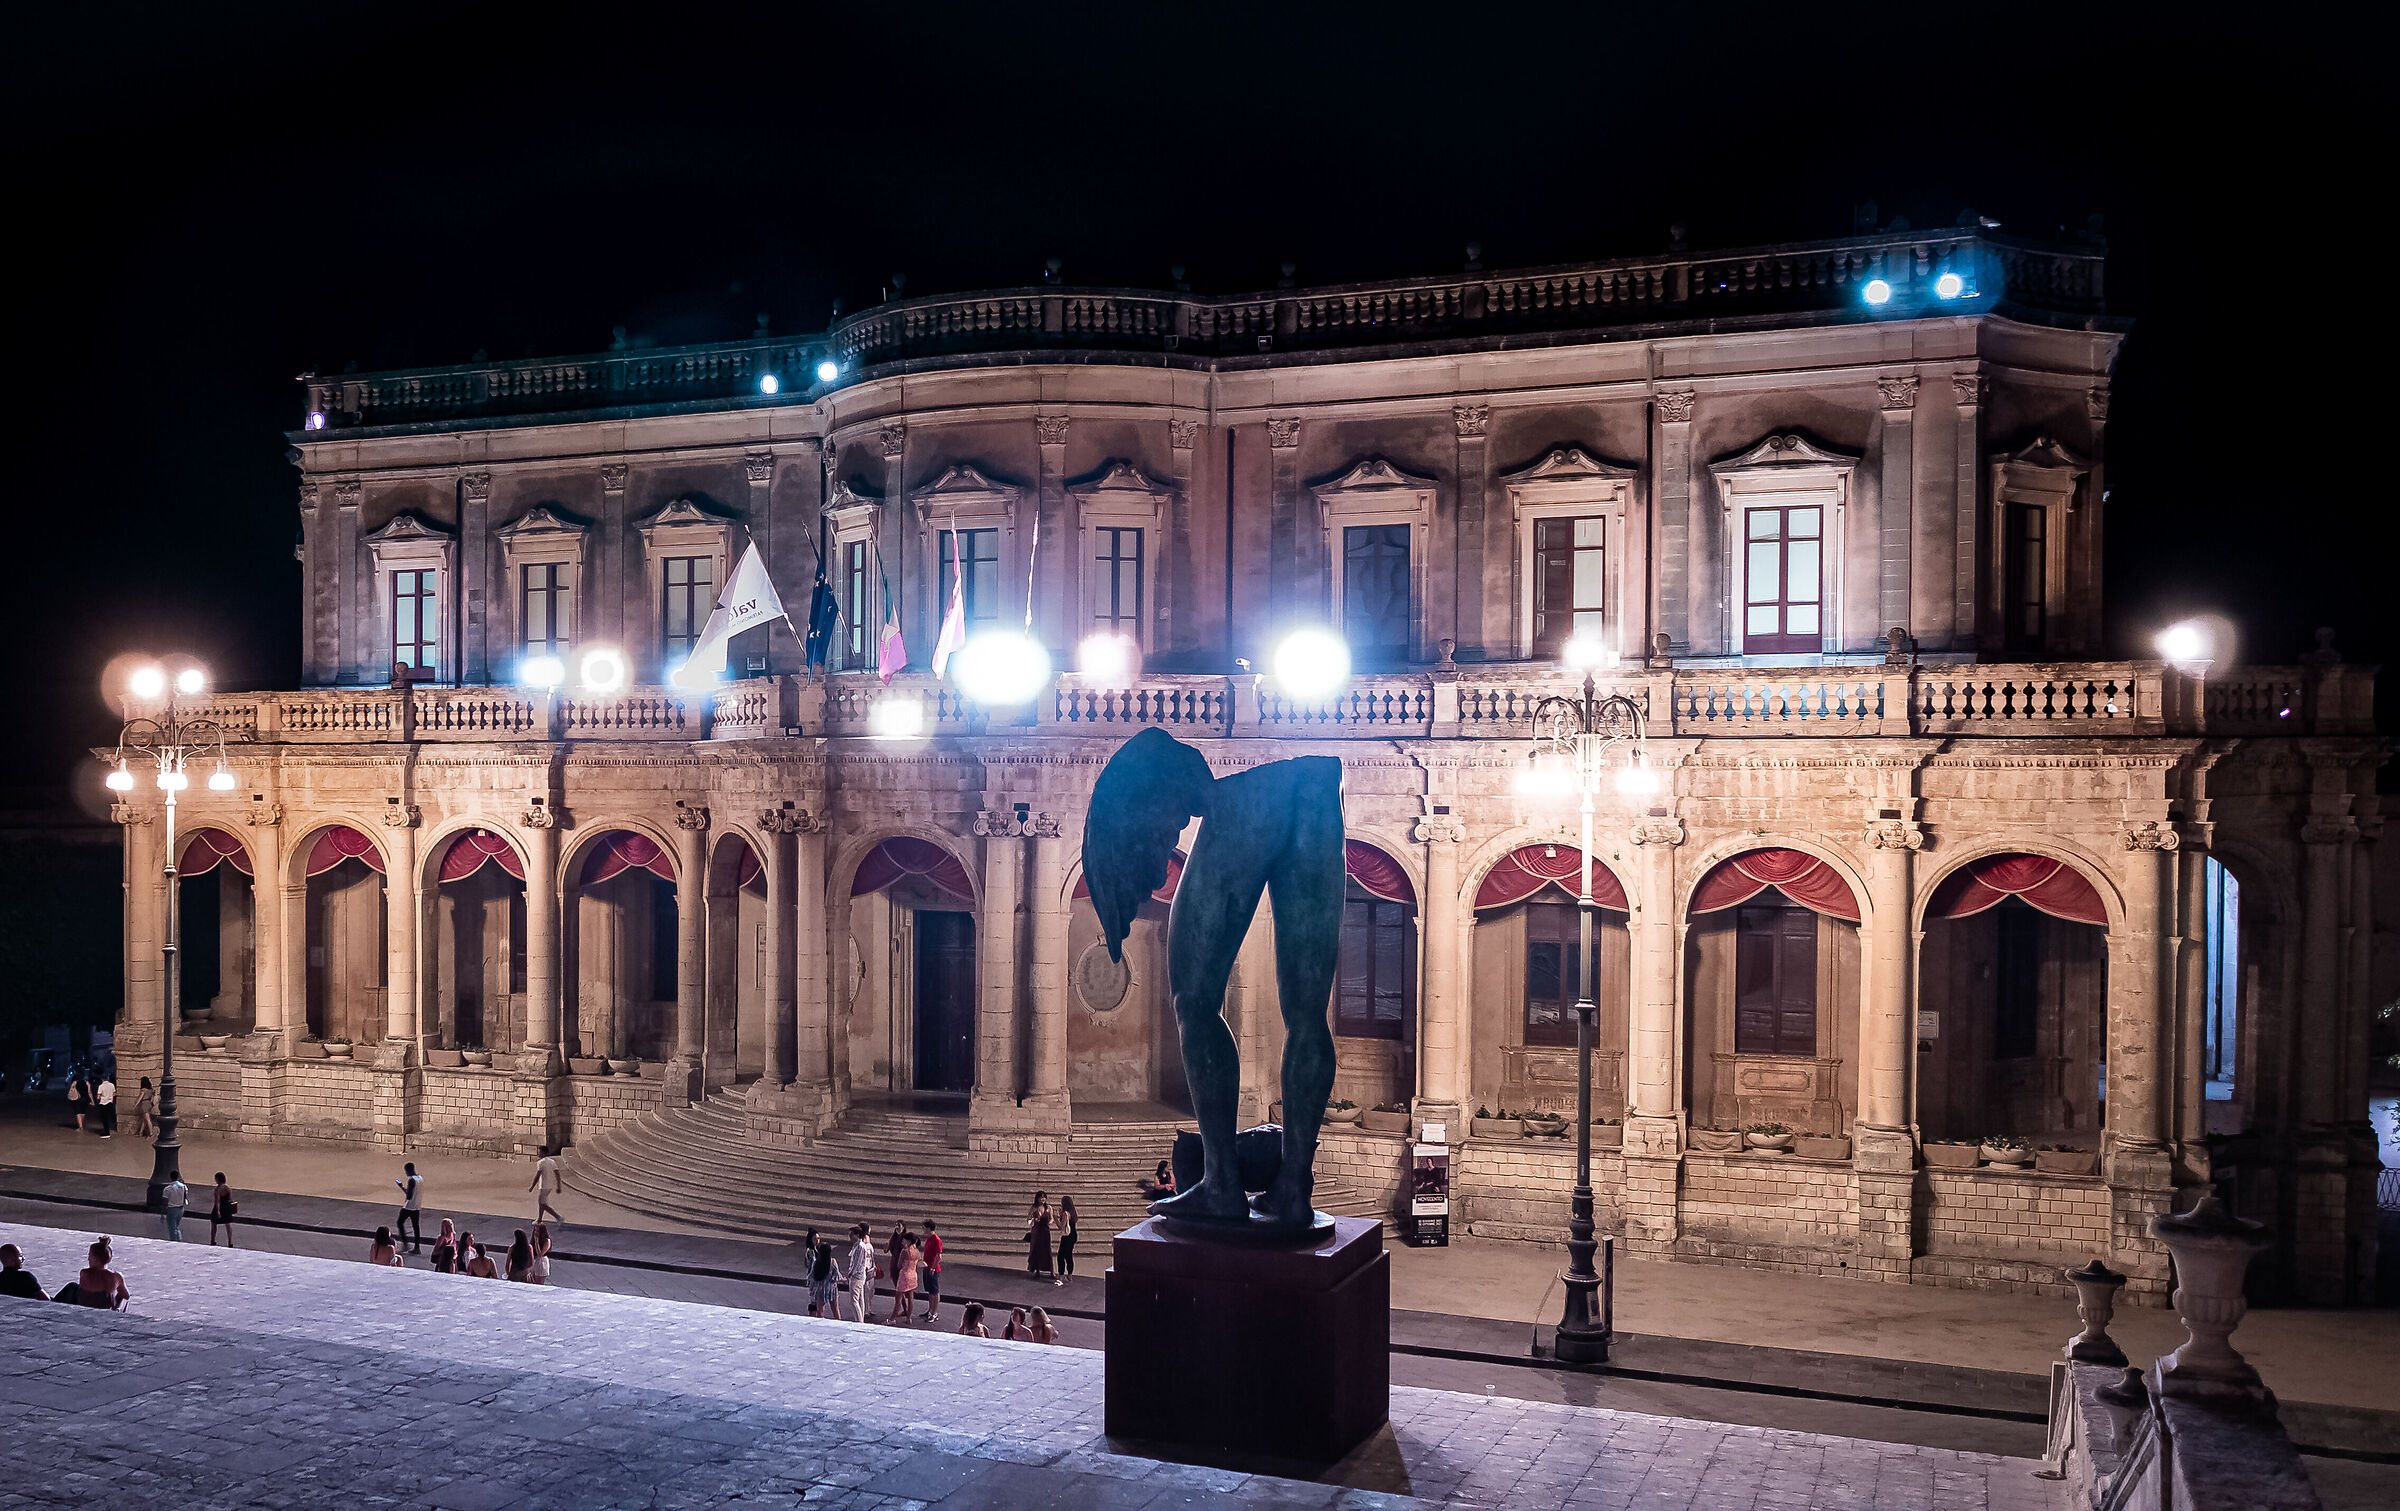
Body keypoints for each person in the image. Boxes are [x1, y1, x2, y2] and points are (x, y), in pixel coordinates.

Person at [75, 1238, 129, 1310]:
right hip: (105, 1309)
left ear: (95, 1259)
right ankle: (116, 1310)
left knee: (72, 1287)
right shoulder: (116, 1277)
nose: (88, 1259)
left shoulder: (84, 1273)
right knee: (121, 1295)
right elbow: (126, 1296)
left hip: (85, 1307)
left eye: (89, 1256)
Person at [842, 1223, 875, 1323]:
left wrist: (850, 1273)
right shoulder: (857, 1246)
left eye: (851, 1235)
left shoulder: (860, 1247)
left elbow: (857, 1263)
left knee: (854, 1300)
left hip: (857, 1276)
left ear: (857, 1235)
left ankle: (859, 1321)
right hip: (858, 1276)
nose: (850, 1237)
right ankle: (860, 1319)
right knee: (860, 1299)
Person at [888, 1231, 918, 1323]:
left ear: (908, 1241)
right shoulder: (916, 1251)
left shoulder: (905, 1251)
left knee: (898, 1297)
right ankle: (909, 1318)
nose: (902, 1241)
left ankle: (892, 1319)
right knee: (911, 1297)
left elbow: (899, 1265)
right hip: (913, 1274)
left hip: (904, 1274)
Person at [529, 1147, 564, 1226]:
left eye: (540, 1152)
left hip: (543, 1186)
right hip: (550, 1185)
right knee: (542, 1202)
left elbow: (537, 1176)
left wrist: (532, 1186)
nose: (538, 1153)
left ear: (544, 1153)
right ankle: (539, 1219)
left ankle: (558, 1217)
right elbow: (557, 1174)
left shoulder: (540, 1163)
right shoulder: (552, 1162)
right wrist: (558, 1186)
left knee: (542, 1204)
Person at [394, 1162, 424, 1253]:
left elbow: (409, 1195)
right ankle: (417, 1247)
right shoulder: (420, 1178)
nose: (406, 1173)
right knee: (416, 1226)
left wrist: (401, 1187)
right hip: (417, 1205)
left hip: (409, 1206)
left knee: (400, 1222)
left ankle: (405, 1243)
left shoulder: (411, 1180)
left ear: (408, 1170)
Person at [918, 1217, 944, 1322]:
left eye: (924, 1228)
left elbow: (939, 1257)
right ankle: (930, 1310)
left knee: (935, 1291)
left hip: (933, 1268)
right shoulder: (928, 1238)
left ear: (929, 1228)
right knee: (929, 1291)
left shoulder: (936, 1240)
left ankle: (934, 1313)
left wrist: (933, 1267)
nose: (923, 1230)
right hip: (926, 1267)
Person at [1025, 1193, 1054, 1281]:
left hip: (1045, 1231)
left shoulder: (1048, 1207)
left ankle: (1051, 1271)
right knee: (1036, 1250)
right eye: (1041, 1197)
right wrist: (1034, 1220)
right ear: (1037, 1198)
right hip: (1036, 1231)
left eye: (1044, 1197)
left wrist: (1050, 1222)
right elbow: (1028, 1219)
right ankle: (1037, 1270)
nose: (1043, 1199)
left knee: (1047, 1250)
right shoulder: (1034, 1207)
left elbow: (1051, 1218)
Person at [806, 1239, 837, 1317]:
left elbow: (812, 1277)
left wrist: (811, 1290)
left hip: (820, 1290)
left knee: (820, 1310)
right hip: (831, 1289)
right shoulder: (832, 1262)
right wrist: (844, 1279)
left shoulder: (816, 1262)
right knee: (835, 1309)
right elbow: (836, 1276)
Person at [1054, 1196, 1078, 1285]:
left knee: (1061, 1255)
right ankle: (1070, 1274)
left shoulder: (1065, 1213)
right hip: (1073, 1235)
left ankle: (1061, 1274)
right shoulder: (1073, 1213)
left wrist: (1056, 1218)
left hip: (1067, 1236)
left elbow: (1061, 1226)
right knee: (1069, 1255)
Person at [208, 1173, 237, 1247]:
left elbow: (217, 1201)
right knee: (228, 1224)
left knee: (214, 1223)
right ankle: (230, 1241)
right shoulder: (228, 1188)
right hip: (227, 1207)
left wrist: (218, 1211)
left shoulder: (218, 1188)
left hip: (220, 1207)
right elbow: (230, 1199)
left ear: (218, 1179)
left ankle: (213, 1240)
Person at [161, 1169, 189, 1243]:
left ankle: (174, 1242)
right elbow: (185, 1196)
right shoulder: (183, 1186)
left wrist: (163, 1213)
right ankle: (179, 1240)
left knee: (172, 1228)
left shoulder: (167, 1189)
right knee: (176, 1226)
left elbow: (165, 1202)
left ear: (170, 1177)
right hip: (181, 1208)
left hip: (172, 1209)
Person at [93, 1073, 116, 1137]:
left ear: (102, 1079)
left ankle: (106, 1132)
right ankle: (107, 1130)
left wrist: (97, 1100)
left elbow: (98, 1096)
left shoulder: (101, 1086)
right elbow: (114, 1094)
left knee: (104, 1118)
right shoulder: (112, 1085)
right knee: (108, 1117)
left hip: (103, 1103)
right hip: (110, 1103)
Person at [65, 1068, 87, 1132]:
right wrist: (91, 1100)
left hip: (76, 1098)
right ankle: (81, 1124)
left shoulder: (74, 1082)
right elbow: (89, 1092)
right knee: (83, 1112)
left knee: (78, 1112)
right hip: (85, 1099)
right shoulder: (86, 1082)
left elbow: (71, 1090)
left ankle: (80, 1127)